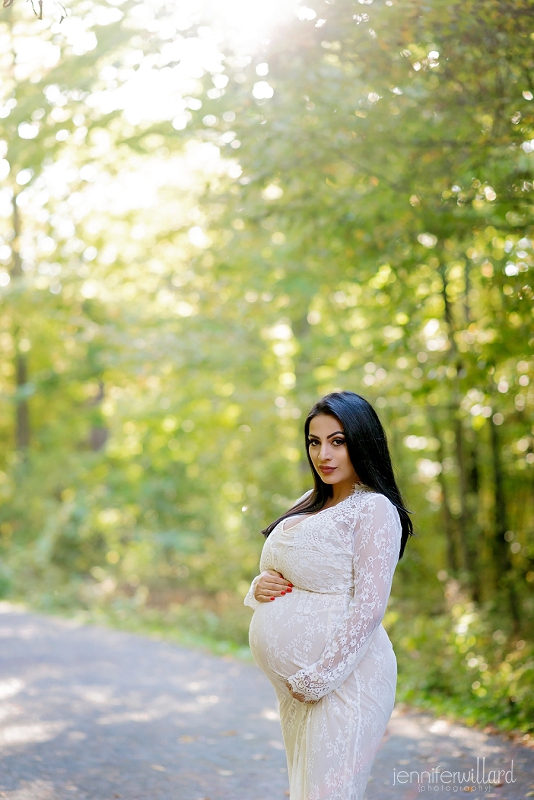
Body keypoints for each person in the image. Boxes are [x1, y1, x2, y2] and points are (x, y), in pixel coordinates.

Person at [244, 391, 413, 800]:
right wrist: (258, 586)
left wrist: (320, 677)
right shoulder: (310, 502)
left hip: (345, 681)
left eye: (338, 441)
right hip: (300, 690)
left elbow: (370, 606)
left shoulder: (373, 509)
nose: (324, 454)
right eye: (314, 441)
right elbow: (287, 570)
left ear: (362, 441)